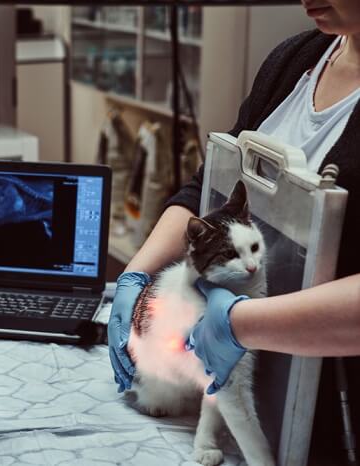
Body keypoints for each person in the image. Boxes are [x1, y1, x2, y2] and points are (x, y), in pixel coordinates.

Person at [108, 0, 360, 458]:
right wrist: (134, 274)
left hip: (330, 414)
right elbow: (206, 190)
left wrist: (236, 324)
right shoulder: (295, 59)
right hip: (242, 390)